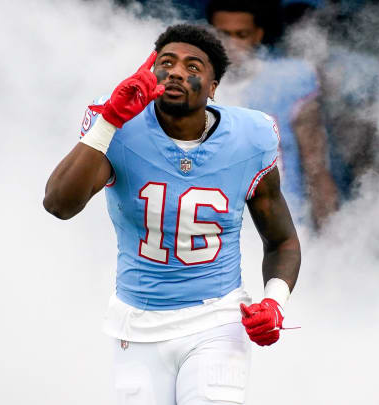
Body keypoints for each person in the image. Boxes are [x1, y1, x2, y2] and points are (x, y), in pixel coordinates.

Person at [43, 24, 301, 404]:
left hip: (217, 318)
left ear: (214, 87)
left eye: (193, 67)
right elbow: (58, 205)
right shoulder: (120, 127)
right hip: (137, 320)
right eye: (166, 62)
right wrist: (109, 121)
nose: (177, 72)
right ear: (150, 72)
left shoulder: (250, 136)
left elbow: (282, 240)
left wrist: (274, 302)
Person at [206, 0, 339, 229]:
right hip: (215, 232)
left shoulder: (289, 83)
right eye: (222, 34)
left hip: (283, 229)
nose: (230, 44)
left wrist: (333, 239)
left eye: (241, 34)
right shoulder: (191, 87)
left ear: (258, 35)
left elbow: (316, 168)